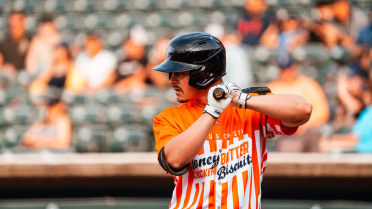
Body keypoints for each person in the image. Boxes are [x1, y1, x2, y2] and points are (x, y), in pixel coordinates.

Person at [152, 32, 311, 208]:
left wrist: (241, 100)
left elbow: (303, 110)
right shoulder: (169, 117)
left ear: (203, 73)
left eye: (179, 73)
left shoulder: (250, 107)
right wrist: (213, 111)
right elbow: (174, 160)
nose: (171, 80)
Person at [266, 54, 329, 152]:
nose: (286, 72)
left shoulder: (308, 84)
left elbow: (322, 112)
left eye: (288, 68)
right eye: (283, 69)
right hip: (281, 132)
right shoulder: (271, 87)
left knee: (312, 134)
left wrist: (302, 124)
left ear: (295, 67)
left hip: (306, 130)